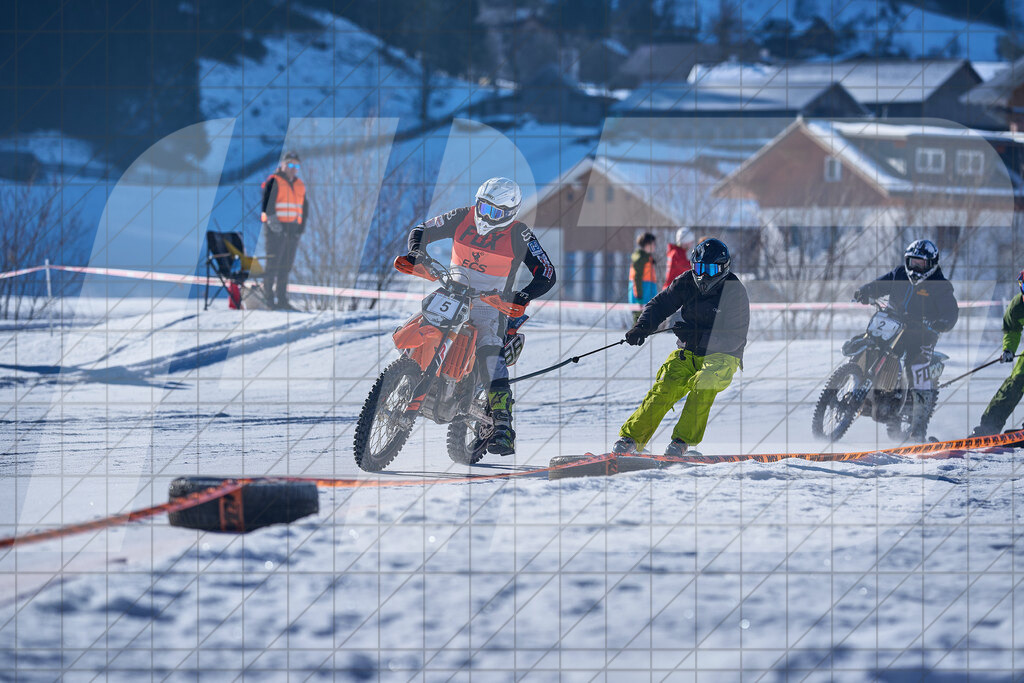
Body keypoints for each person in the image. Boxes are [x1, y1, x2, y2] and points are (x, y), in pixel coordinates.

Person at [404, 177, 556, 455]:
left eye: (495, 212)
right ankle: (403, 375)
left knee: (489, 352)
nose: (486, 216)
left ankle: (502, 424)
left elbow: (547, 271)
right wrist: (417, 251)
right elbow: (421, 228)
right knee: (420, 322)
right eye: (483, 207)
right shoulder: (462, 216)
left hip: (491, 305)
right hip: (452, 291)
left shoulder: (519, 234)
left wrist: (523, 296)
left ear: (510, 214)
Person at [613, 238, 749, 456]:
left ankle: (681, 442)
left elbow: (735, 339)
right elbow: (660, 304)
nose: (703, 275)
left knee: (703, 383)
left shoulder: (735, 292)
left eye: (710, 269)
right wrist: (642, 327)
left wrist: (697, 338)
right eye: (699, 267)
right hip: (690, 353)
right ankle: (631, 439)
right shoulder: (687, 281)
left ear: (723, 269)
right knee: (666, 385)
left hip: (723, 357)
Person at [852, 239, 959, 440]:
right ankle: (861, 393)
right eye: (912, 262)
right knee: (870, 346)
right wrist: (865, 291)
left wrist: (942, 323)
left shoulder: (940, 285)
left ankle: (918, 429)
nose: (915, 267)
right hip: (894, 325)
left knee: (917, 369)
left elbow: (951, 311)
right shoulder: (900, 273)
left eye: (921, 263)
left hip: (922, 334)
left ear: (931, 263)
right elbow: (880, 284)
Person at [972, 271, 1024, 436]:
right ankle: (988, 428)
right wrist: (1009, 349)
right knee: (1016, 381)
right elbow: (1012, 330)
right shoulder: (1017, 306)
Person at [261, 151, 308, 310]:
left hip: (292, 231)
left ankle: (282, 299)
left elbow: (304, 208)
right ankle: (268, 298)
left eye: (296, 165)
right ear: (282, 165)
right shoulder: (274, 181)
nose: (293, 168)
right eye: (290, 164)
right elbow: (268, 208)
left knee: (285, 267)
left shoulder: (299, 184)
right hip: (275, 231)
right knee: (272, 265)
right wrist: (277, 229)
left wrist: (299, 229)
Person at [628, 232, 658, 324]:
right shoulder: (640, 258)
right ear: (647, 244)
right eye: (653, 244)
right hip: (640, 297)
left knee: (646, 325)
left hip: (647, 296)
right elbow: (636, 278)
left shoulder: (647, 258)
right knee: (639, 324)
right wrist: (639, 297)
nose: (655, 246)